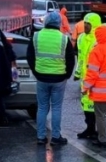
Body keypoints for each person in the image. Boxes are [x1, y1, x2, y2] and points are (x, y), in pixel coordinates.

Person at [26, 11, 75, 145]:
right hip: (59, 78)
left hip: (41, 76)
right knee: (56, 108)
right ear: (59, 23)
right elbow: (71, 59)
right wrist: (67, 74)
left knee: (42, 107)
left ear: (46, 22)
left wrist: (36, 72)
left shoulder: (36, 36)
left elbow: (30, 56)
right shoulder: (64, 38)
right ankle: (55, 137)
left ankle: (41, 137)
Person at [73, 12, 102, 139]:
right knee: (86, 103)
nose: (85, 26)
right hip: (85, 78)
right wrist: (77, 72)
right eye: (84, 23)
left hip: (97, 79)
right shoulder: (81, 39)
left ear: (94, 25)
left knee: (98, 106)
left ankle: (100, 131)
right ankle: (90, 128)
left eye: (88, 24)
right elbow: (80, 58)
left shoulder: (99, 40)